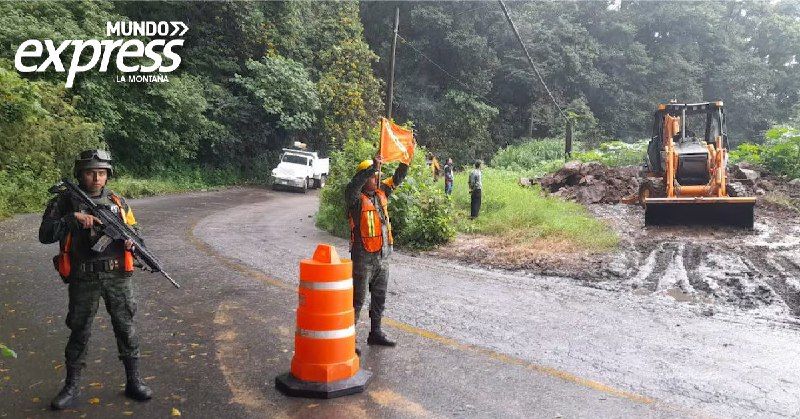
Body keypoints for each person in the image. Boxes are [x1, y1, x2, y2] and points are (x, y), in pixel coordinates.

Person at [39, 149, 153, 410]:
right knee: (79, 331)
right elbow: (45, 234)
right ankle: (71, 386)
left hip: (118, 275)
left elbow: (136, 234)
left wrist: (131, 241)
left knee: (125, 327)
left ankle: (134, 381)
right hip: (84, 276)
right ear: (80, 174)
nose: (96, 178)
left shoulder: (118, 201)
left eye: (101, 173)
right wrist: (72, 219)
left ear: (108, 175)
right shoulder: (64, 202)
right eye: (91, 172)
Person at [345, 155, 408, 348]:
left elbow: (397, 178)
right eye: (373, 176)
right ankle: (348, 341)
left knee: (379, 298)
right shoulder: (354, 199)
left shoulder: (382, 193)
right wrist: (372, 167)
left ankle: (376, 332)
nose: (377, 178)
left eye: (377, 175)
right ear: (364, 178)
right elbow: (353, 185)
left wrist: (405, 161)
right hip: (363, 259)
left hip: (382, 257)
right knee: (357, 300)